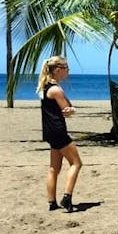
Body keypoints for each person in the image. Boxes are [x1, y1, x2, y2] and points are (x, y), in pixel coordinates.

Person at [38, 56, 82, 213]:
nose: (68, 72)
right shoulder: (56, 90)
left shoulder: (46, 87)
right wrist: (72, 110)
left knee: (53, 168)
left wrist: (69, 109)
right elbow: (66, 112)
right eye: (66, 69)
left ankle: (52, 202)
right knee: (76, 163)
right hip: (58, 131)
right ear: (58, 70)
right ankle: (67, 197)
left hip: (49, 131)